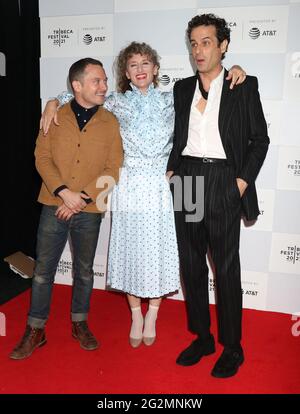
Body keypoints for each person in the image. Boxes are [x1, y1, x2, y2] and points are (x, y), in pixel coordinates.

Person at [40, 43, 246, 349]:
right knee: (132, 253)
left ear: (155, 69)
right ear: (126, 72)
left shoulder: (173, 99)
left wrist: (236, 71)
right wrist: (53, 102)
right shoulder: (115, 103)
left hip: (165, 187)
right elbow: (78, 95)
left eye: (146, 63)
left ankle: (153, 315)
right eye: (133, 64)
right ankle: (136, 314)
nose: (140, 69)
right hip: (129, 185)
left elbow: (211, 90)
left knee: (163, 253)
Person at [167, 14, 269, 378]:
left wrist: (240, 183)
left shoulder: (243, 85)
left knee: (225, 269)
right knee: (192, 266)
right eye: (193, 43)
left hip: (225, 178)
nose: (199, 50)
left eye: (206, 42)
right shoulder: (181, 89)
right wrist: (172, 170)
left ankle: (232, 346)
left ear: (223, 45)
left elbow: (260, 141)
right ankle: (203, 336)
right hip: (188, 179)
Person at [10, 58, 123, 360]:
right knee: (43, 273)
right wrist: (63, 193)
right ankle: (36, 329)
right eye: (97, 81)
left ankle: (80, 323)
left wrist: (82, 198)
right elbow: (41, 156)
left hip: (89, 209)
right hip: (52, 204)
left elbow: (114, 168)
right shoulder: (54, 116)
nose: (104, 86)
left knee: (84, 273)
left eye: (104, 81)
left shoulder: (110, 122)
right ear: (77, 85)